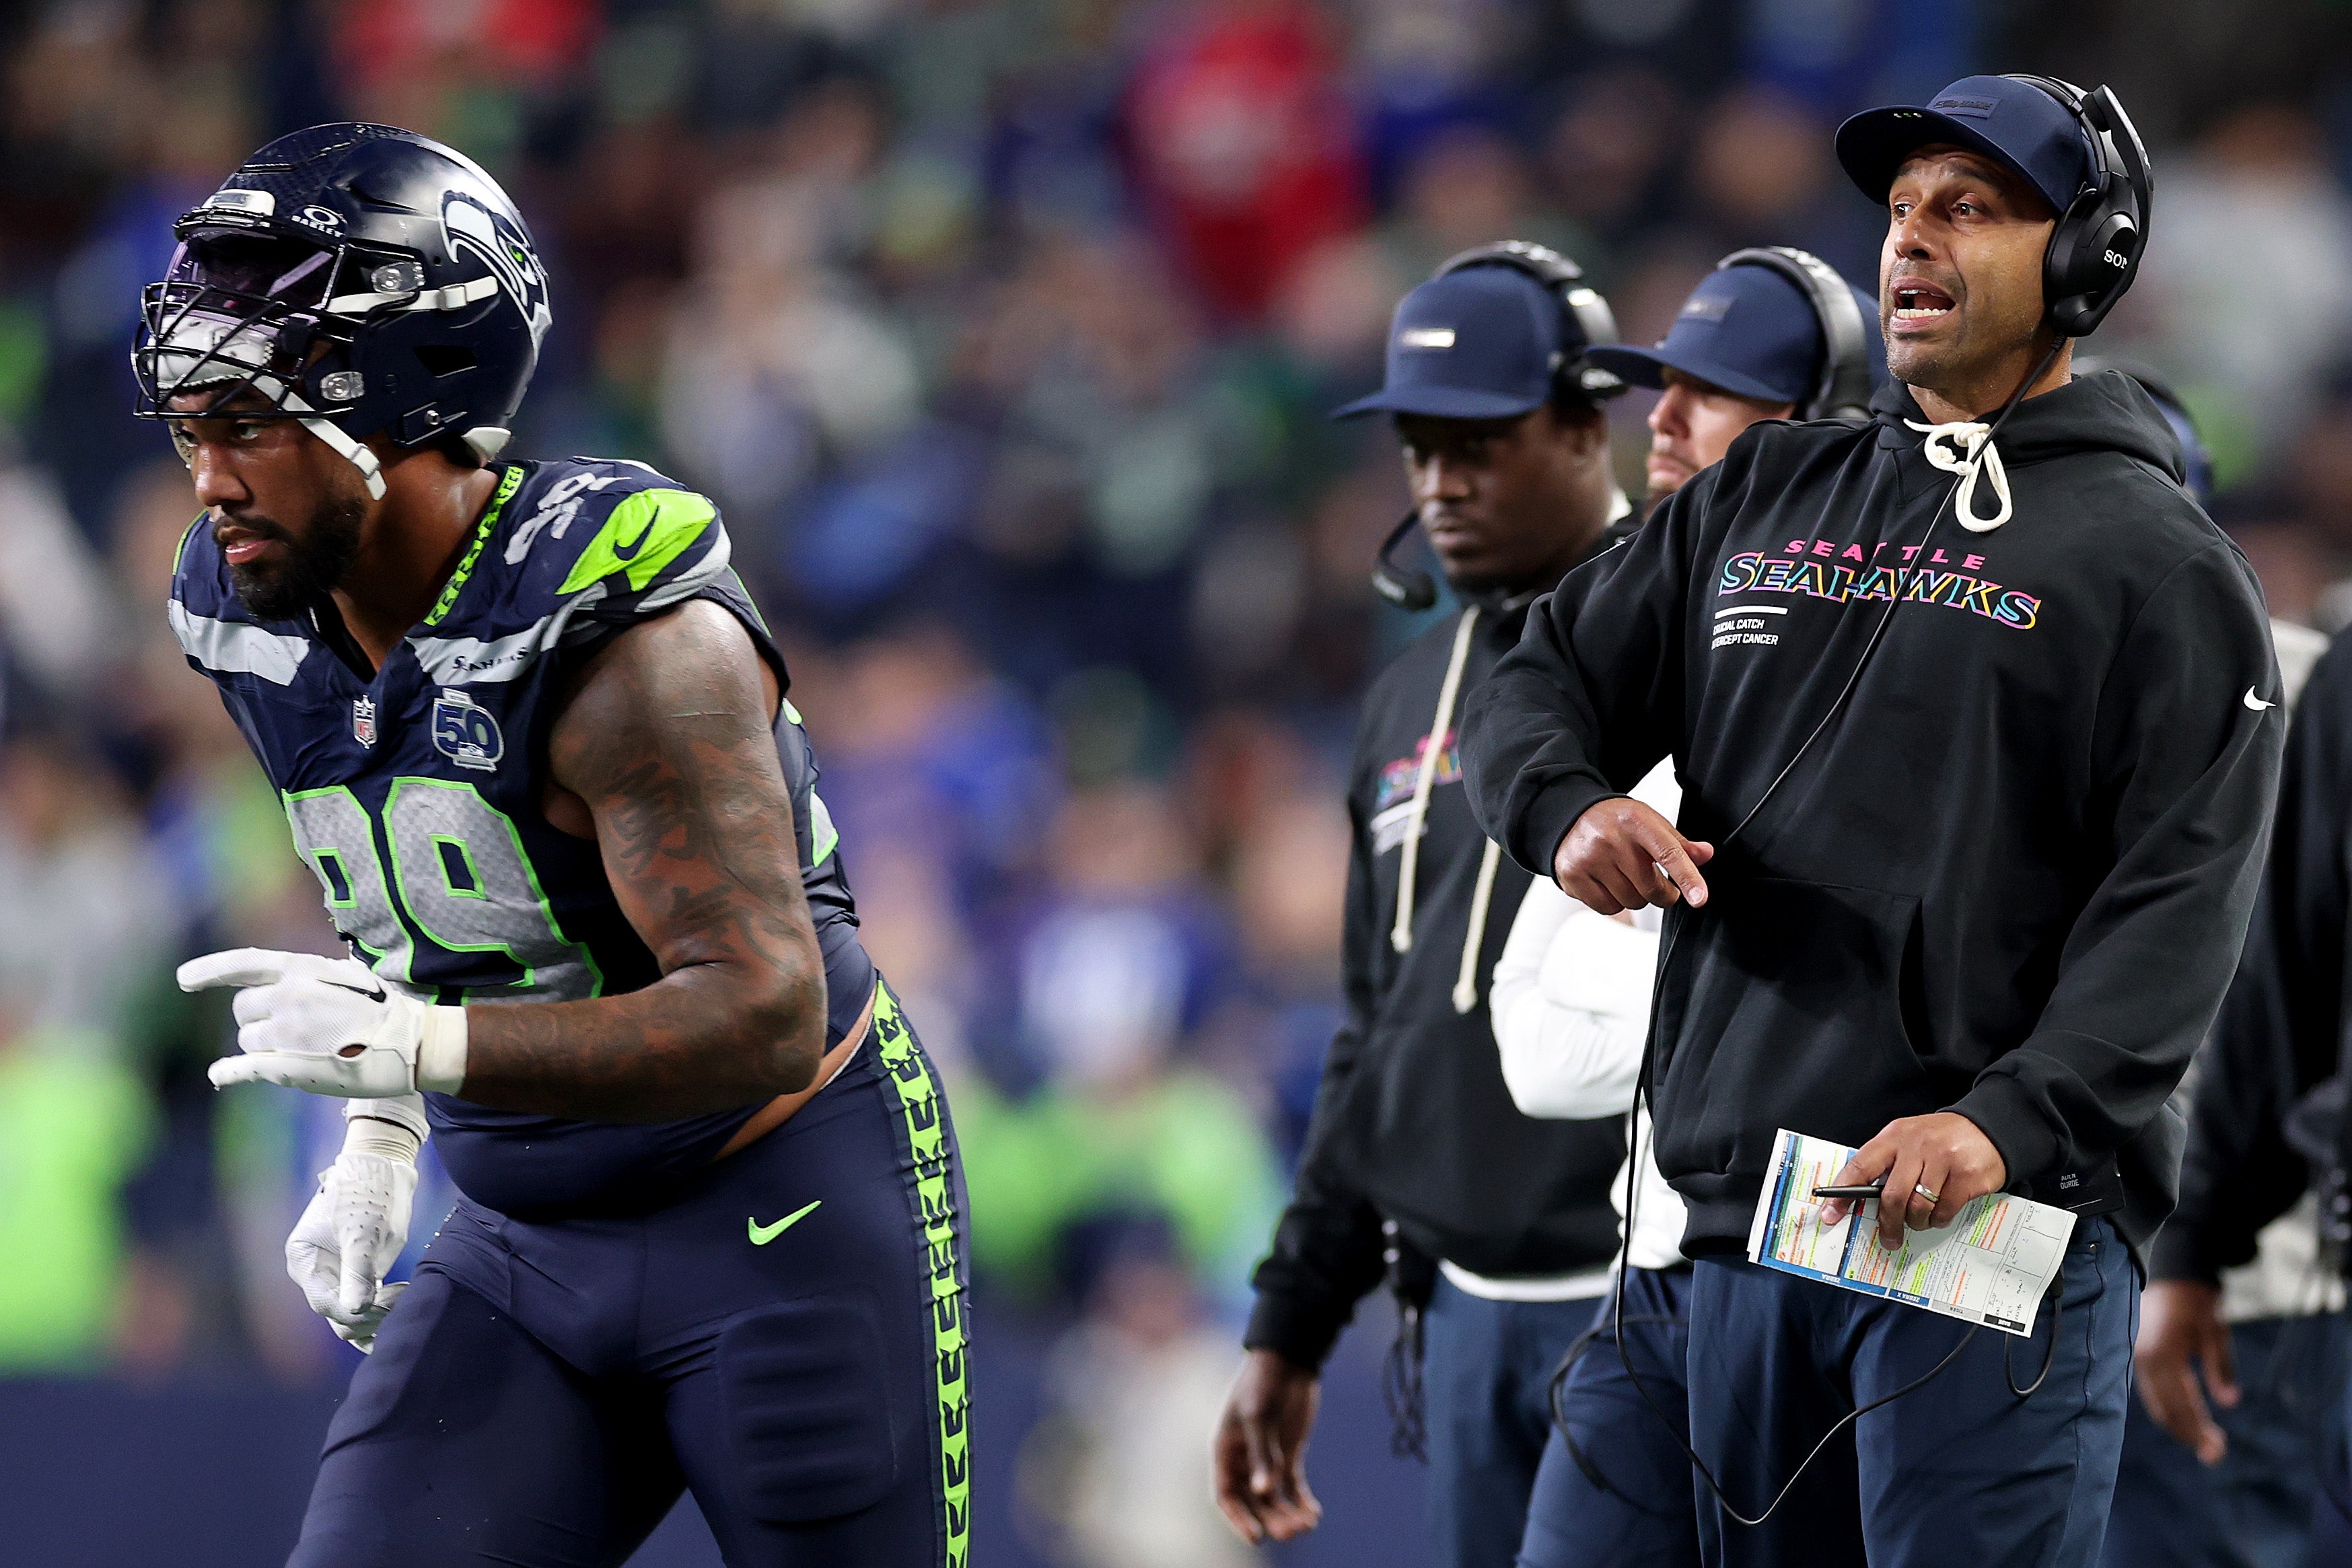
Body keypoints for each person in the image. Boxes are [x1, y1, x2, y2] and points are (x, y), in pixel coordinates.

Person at [1461, 75, 2284, 1568]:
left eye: (1966, 209)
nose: (1911, 242)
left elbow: (2173, 919)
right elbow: (1542, 679)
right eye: (1900, 209)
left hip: (1986, 1242)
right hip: (1739, 1233)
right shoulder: (1764, 489)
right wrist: (1559, 805)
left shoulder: (2157, 567)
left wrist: (1997, 1123)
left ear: (2085, 255)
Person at [143, 124, 968, 1567]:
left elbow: (762, 1008)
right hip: (528, 1232)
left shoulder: (635, 646)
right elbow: (413, 898)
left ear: (394, 406)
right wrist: (387, 1128)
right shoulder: (251, 603)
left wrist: (426, 1059)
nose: (207, 477)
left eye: (246, 420)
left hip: (778, 1202)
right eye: (188, 424)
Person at [1211, 242, 1637, 1568]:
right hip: (1455, 1309)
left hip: (1644, 1301)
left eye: (1481, 443)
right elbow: (1376, 1028)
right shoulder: (1406, 695)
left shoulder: (1692, 646)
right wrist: (1290, 1319)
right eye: (1415, 448)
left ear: (1584, 421)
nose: (1441, 484)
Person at [1493, 246, 1884, 1568]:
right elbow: (1529, 1048)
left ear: (1809, 430)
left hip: (1836, 1259)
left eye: (1704, 394)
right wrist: (1711, 1041)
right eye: (1653, 388)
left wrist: (1696, 1049)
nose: (1654, 423)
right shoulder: (1627, 663)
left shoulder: (1891, 658)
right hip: (1653, 1268)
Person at [2116, 380, 2352, 1568]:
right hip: (2001, 1274)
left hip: (2243, 1297)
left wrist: (2204, 1243)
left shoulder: (2309, 686)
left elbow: (2280, 999)